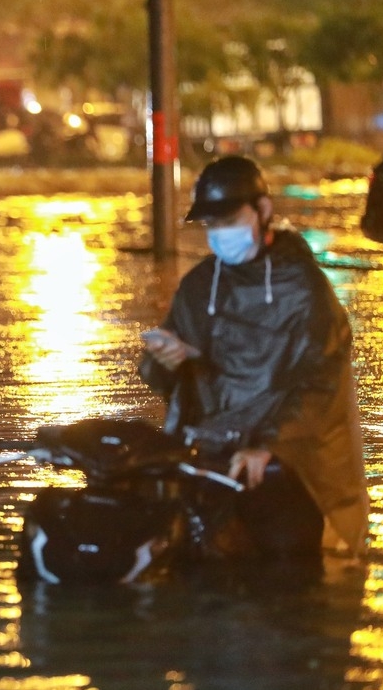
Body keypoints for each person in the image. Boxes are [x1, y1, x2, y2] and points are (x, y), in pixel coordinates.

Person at [139, 155, 368, 564]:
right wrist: (168, 360)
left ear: (263, 211)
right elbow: (164, 380)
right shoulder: (200, 286)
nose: (221, 234)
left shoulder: (305, 291)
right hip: (214, 454)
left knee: (288, 568)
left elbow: (321, 385)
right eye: (213, 225)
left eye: (230, 220)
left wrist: (269, 446)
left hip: (294, 462)